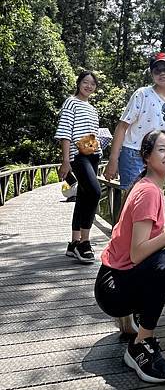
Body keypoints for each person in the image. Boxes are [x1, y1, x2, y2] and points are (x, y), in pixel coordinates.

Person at [94, 129, 165, 383]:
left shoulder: (148, 186)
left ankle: (139, 317)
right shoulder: (148, 192)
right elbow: (137, 253)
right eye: (161, 150)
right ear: (146, 156)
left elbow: (147, 231)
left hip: (114, 278)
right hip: (112, 288)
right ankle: (140, 344)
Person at [103, 52, 165, 191]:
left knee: (153, 199)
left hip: (160, 158)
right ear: (152, 73)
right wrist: (113, 159)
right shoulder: (142, 94)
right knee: (134, 201)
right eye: (157, 70)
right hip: (134, 155)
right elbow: (122, 126)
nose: (162, 73)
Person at [55, 71, 102, 263]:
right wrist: (66, 160)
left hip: (93, 155)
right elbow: (65, 132)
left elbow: (93, 134)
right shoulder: (71, 102)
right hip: (78, 156)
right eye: (85, 82)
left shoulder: (92, 109)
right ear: (78, 83)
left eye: (92, 84)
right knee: (95, 191)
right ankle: (85, 242)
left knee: (83, 196)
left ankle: (74, 243)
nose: (89, 86)